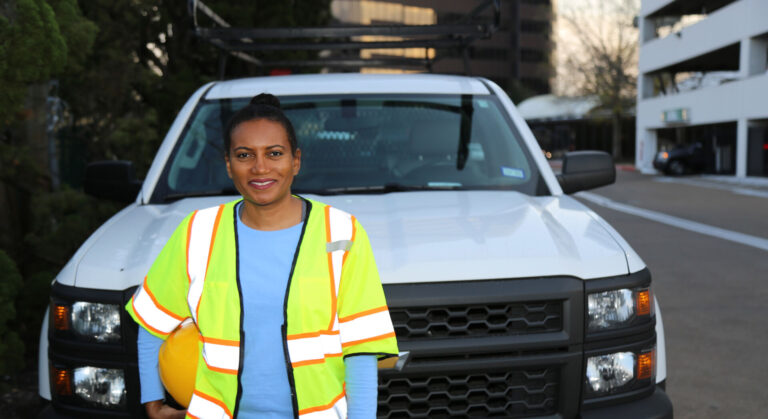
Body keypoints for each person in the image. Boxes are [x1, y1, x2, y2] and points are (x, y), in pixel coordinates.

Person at [125, 93, 399, 419]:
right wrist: (153, 403)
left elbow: (362, 347)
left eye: (274, 153)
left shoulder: (341, 231)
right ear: (228, 164)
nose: (260, 167)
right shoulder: (198, 231)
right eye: (244, 155)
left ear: (295, 160)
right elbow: (153, 323)